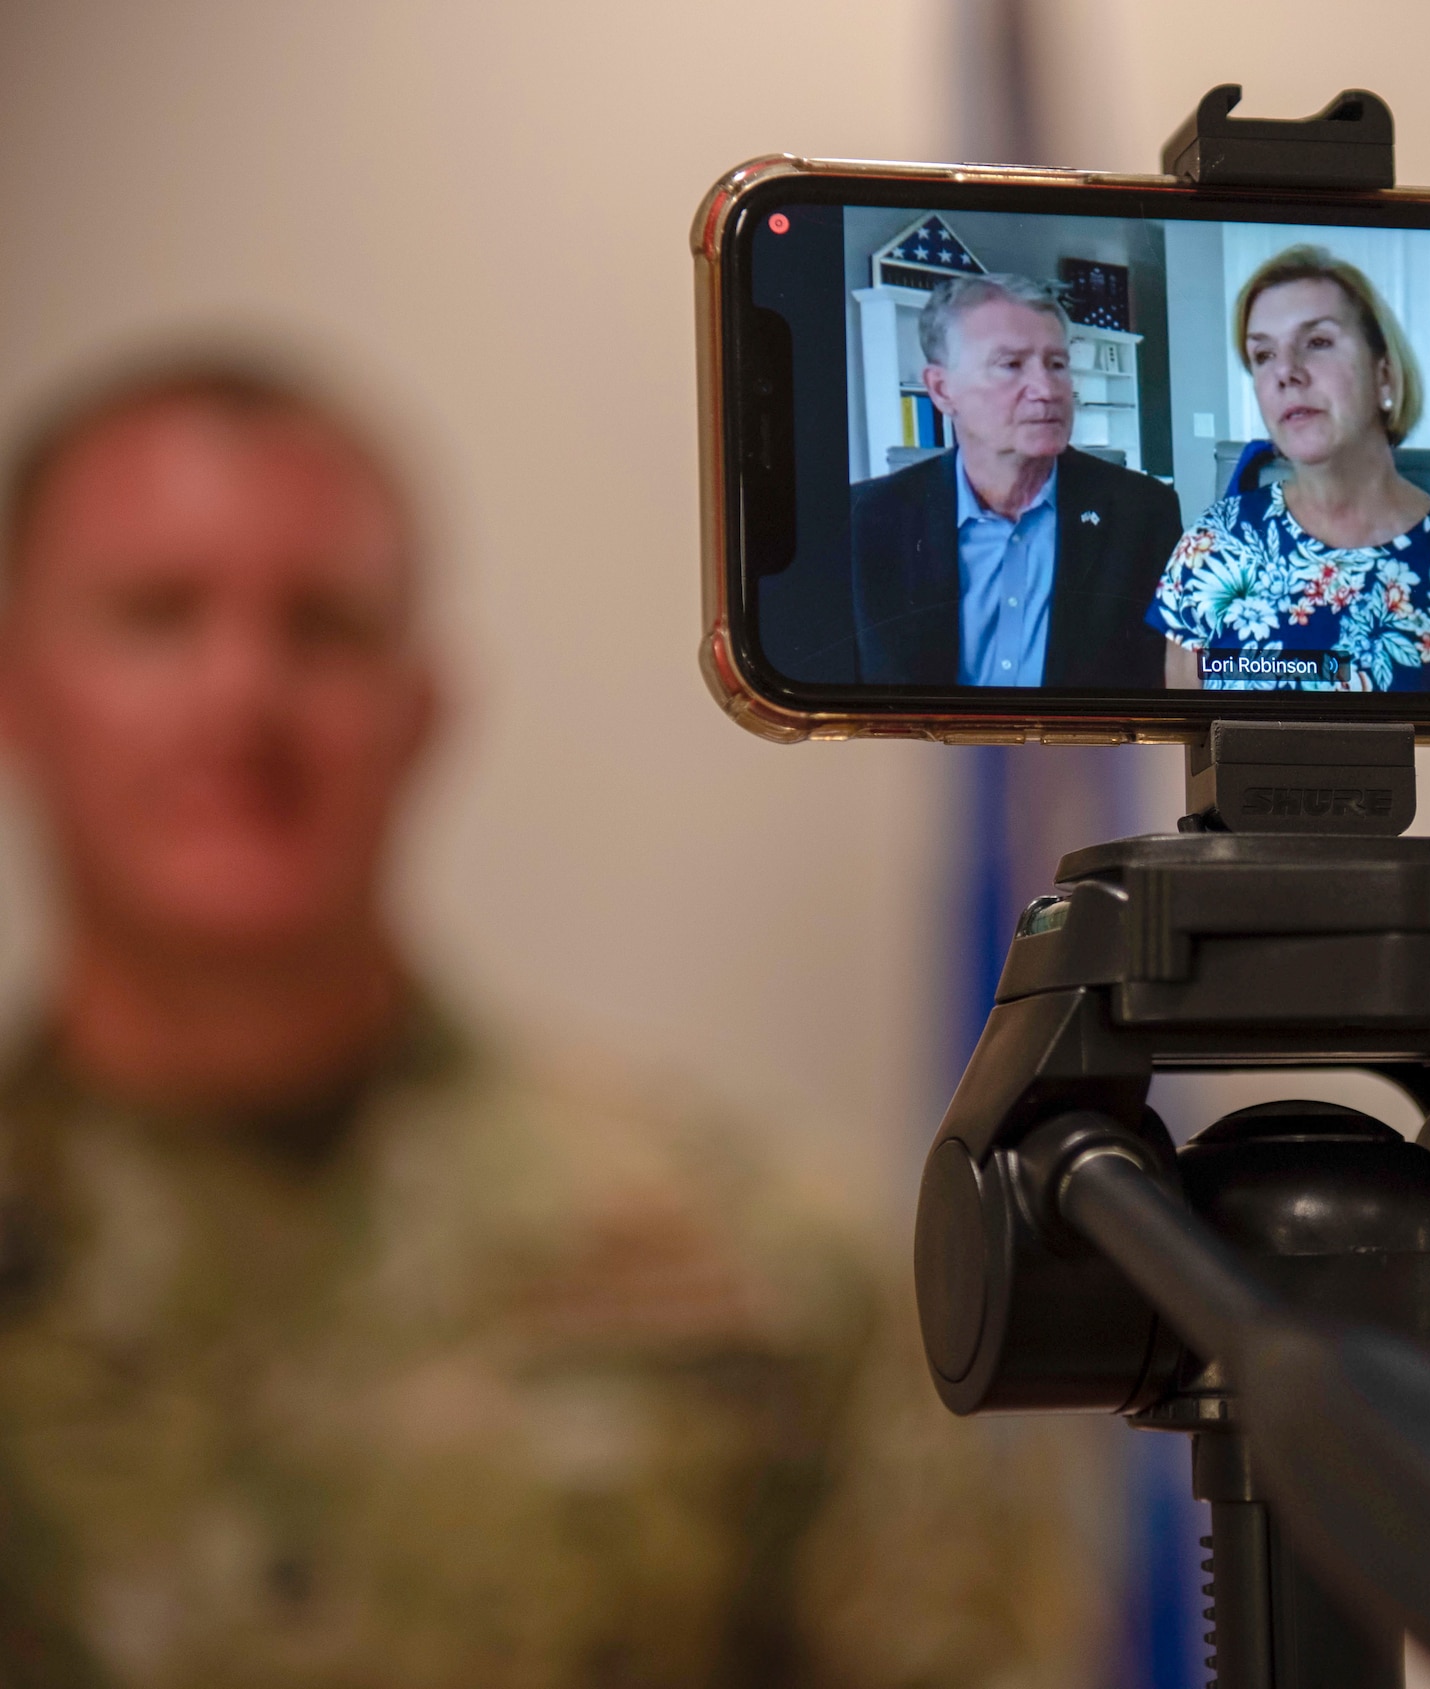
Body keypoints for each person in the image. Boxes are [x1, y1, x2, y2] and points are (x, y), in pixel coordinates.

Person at [0, 357, 1108, 1688]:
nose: (242, 695)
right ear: (19, 688)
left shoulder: (762, 1263)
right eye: (156, 616)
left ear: (422, 714)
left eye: (323, 627)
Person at [1150, 247, 1430, 695]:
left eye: (1317, 342)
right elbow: (1188, 749)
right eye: (1262, 355)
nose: (1285, 372)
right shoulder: (1211, 550)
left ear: (1384, 374)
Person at [851, 275, 1179, 689]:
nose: (1046, 389)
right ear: (941, 389)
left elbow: (1164, 685)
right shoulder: (864, 520)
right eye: (1010, 365)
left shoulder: (1143, 512)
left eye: (1057, 365)